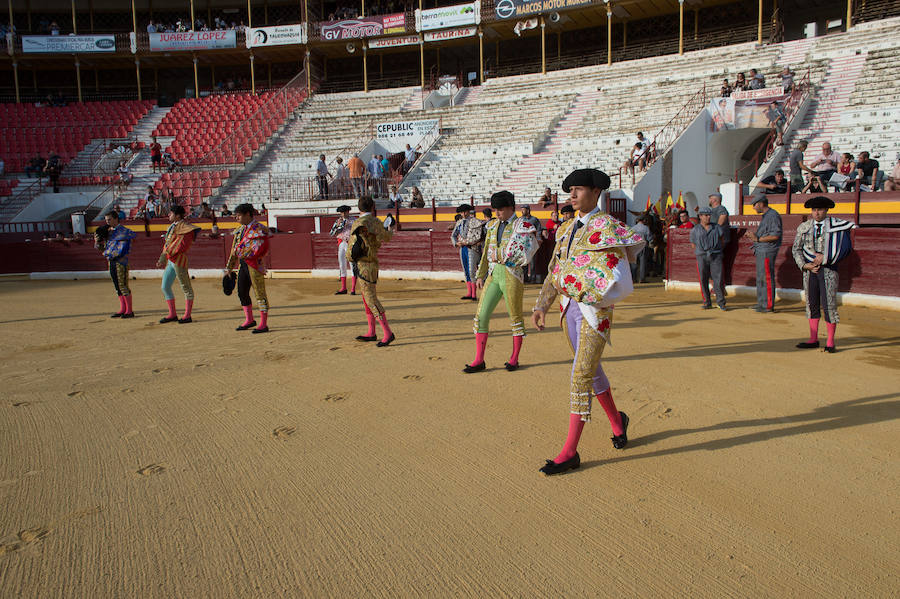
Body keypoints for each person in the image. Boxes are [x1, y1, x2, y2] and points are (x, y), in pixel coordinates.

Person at [532, 168, 645, 476]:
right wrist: (543, 304)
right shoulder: (566, 229)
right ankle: (618, 422)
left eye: (578, 189)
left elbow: (617, 276)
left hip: (594, 311)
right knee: (591, 371)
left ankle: (570, 452)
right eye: (570, 189)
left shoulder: (608, 226)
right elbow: (556, 270)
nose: (572, 194)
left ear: (596, 192)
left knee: (580, 374)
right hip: (568, 310)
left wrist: (587, 291)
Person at [464, 191, 539, 374]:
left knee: (514, 317)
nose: (497, 213)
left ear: (511, 208)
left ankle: (514, 358)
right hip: (493, 274)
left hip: (512, 274)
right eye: (495, 209)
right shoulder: (492, 226)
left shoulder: (521, 225)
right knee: (481, 316)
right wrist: (480, 274)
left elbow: (529, 250)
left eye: (501, 209)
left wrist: (510, 259)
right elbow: (485, 252)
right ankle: (479, 360)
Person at [792, 196, 856, 353]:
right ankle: (813, 339)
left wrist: (826, 257)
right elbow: (796, 249)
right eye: (814, 210)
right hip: (809, 272)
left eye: (819, 209)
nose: (816, 213)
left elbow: (844, 248)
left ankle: (830, 342)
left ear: (826, 210)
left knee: (829, 305)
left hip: (828, 270)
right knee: (811, 303)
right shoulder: (804, 227)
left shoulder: (836, 226)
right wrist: (804, 265)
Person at [347, 195, 396, 346]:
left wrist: (349, 257)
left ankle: (387, 333)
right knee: (367, 298)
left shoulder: (359, 223)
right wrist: (390, 228)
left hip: (363, 265)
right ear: (373, 207)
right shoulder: (376, 222)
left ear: (358, 208)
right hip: (373, 264)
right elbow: (387, 238)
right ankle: (371, 332)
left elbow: (352, 248)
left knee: (370, 299)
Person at [225, 204, 271, 334]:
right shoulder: (239, 231)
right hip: (243, 265)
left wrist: (239, 253)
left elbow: (258, 249)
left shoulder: (260, 229)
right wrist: (229, 267)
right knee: (241, 292)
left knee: (259, 293)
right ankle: (249, 319)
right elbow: (233, 250)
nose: (236, 218)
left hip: (256, 264)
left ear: (248, 214)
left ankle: (263, 323)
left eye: (238, 215)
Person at [157, 205, 200, 324]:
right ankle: (172, 314)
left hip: (179, 260)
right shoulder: (172, 227)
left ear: (178, 215)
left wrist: (168, 253)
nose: (168, 215)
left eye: (171, 213)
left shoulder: (187, 228)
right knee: (165, 286)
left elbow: (183, 246)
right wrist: (162, 258)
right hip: (171, 261)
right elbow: (167, 243)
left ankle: (187, 315)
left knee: (186, 288)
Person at [744, 196, 782, 313]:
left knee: (766, 277)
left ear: (760, 204)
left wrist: (758, 238)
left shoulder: (772, 215)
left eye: (754, 205)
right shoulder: (768, 215)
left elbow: (775, 236)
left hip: (767, 250)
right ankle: (762, 303)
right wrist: (755, 237)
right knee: (761, 277)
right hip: (763, 250)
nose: (754, 207)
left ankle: (768, 305)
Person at [99, 212, 138, 318]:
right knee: (117, 286)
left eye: (109, 220)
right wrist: (98, 242)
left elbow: (132, 237)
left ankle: (129, 311)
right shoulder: (108, 232)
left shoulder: (124, 231)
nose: (107, 222)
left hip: (121, 261)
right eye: (106, 220)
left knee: (123, 285)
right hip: (111, 261)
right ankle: (123, 309)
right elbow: (104, 249)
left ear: (116, 219)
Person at [690, 207, 726, 310]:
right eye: (706, 215)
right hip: (702, 256)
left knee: (718, 279)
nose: (708, 217)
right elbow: (693, 244)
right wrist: (701, 252)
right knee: (703, 279)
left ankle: (721, 302)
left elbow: (722, 240)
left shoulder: (717, 227)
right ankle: (707, 302)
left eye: (709, 215)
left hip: (716, 255)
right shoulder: (695, 230)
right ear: (700, 216)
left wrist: (717, 250)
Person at [451, 203, 485, 301]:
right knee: (466, 270)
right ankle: (469, 293)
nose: (463, 213)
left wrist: (468, 242)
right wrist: (456, 243)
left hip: (472, 248)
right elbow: (453, 235)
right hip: (463, 249)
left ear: (469, 211)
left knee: (471, 271)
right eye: (462, 212)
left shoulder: (476, 222)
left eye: (465, 211)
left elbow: (480, 235)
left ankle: (474, 294)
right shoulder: (459, 223)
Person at [329, 205, 357, 295]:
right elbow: (331, 234)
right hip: (341, 243)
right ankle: (344, 288)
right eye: (342, 212)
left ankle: (353, 289)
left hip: (351, 244)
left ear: (348, 211)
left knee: (352, 265)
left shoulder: (354, 220)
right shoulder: (338, 221)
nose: (344, 214)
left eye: (345, 212)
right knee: (342, 265)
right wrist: (337, 226)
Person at [519, 205, 543, 283]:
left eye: (524, 210)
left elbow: (538, 230)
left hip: (531, 242)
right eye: (522, 210)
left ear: (528, 210)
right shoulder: (519, 220)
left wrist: (538, 240)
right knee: (523, 261)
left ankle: (532, 278)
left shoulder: (534, 220)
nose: (522, 211)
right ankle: (525, 278)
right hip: (522, 243)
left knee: (532, 262)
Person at [630, 215, 652, 283]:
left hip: (635, 247)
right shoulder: (646, 228)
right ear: (644, 220)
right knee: (643, 263)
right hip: (643, 246)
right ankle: (642, 279)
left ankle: (634, 279)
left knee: (634, 263)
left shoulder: (633, 228)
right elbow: (649, 238)